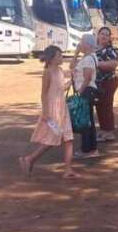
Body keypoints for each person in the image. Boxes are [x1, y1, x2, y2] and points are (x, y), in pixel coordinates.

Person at [20, 45, 77, 178]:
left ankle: (68, 170)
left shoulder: (60, 71)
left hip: (62, 109)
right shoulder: (47, 73)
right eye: (59, 55)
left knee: (68, 138)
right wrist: (46, 112)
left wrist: (71, 80)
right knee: (53, 138)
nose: (61, 57)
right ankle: (29, 159)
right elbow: (44, 93)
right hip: (52, 111)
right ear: (51, 59)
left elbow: (61, 88)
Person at [71, 34, 100, 158]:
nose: (79, 44)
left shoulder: (88, 59)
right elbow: (71, 67)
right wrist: (76, 53)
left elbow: (87, 78)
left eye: (81, 42)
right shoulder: (87, 57)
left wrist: (80, 93)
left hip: (86, 91)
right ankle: (91, 149)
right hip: (87, 91)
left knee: (85, 121)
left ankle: (87, 150)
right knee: (88, 121)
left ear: (87, 44)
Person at [94, 27, 118, 142]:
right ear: (98, 35)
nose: (104, 36)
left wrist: (96, 63)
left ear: (110, 38)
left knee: (106, 106)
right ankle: (103, 129)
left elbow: (113, 64)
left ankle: (109, 132)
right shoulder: (94, 49)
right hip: (97, 83)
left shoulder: (110, 50)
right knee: (99, 106)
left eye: (107, 35)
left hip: (108, 82)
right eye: (102, 34)